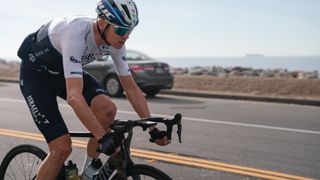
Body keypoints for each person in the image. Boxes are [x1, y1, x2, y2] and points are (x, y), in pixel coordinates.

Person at [17, 0, 169, 179]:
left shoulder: (115, 42)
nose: (126, 36)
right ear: (103, 23)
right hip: (36, 77)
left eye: (130, 31)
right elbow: (74, 97)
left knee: (108, 110)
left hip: (62, 72)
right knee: (61, 148)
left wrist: (152, 128)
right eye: (121, 30)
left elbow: (131, 88)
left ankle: (88, 173)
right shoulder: (75, 32)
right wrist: (102, 136)